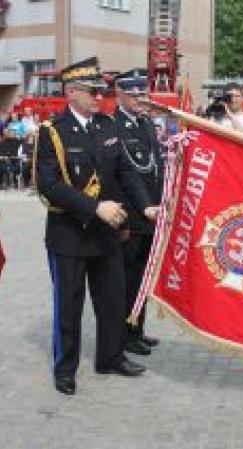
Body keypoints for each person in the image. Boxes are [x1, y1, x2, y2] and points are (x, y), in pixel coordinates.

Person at [35, 57, 157, 396]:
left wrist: (145, 205)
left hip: (107, 234)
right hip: (69, 235)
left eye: (101, 91)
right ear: (71, 92)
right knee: (69, 306)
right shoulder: (52, 132)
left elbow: (125, 173)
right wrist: (94, 207)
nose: (99, 97)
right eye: (92, 92)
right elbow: (48, 184)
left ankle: (110, 357)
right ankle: (65, 368)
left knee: (113, 300)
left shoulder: (107, 127)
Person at [113, 68, 164, 356]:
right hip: (133, 217)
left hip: (151, 215)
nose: (139, 100)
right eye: (133, 95)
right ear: (120, 94)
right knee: (128, 278)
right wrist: (143, 208)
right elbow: (127, 175)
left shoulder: (144, 124)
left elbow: (155, 169)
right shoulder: (115, 125)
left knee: (143, 277)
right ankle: (124, 334)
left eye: (142, 94)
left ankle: (137, 329)